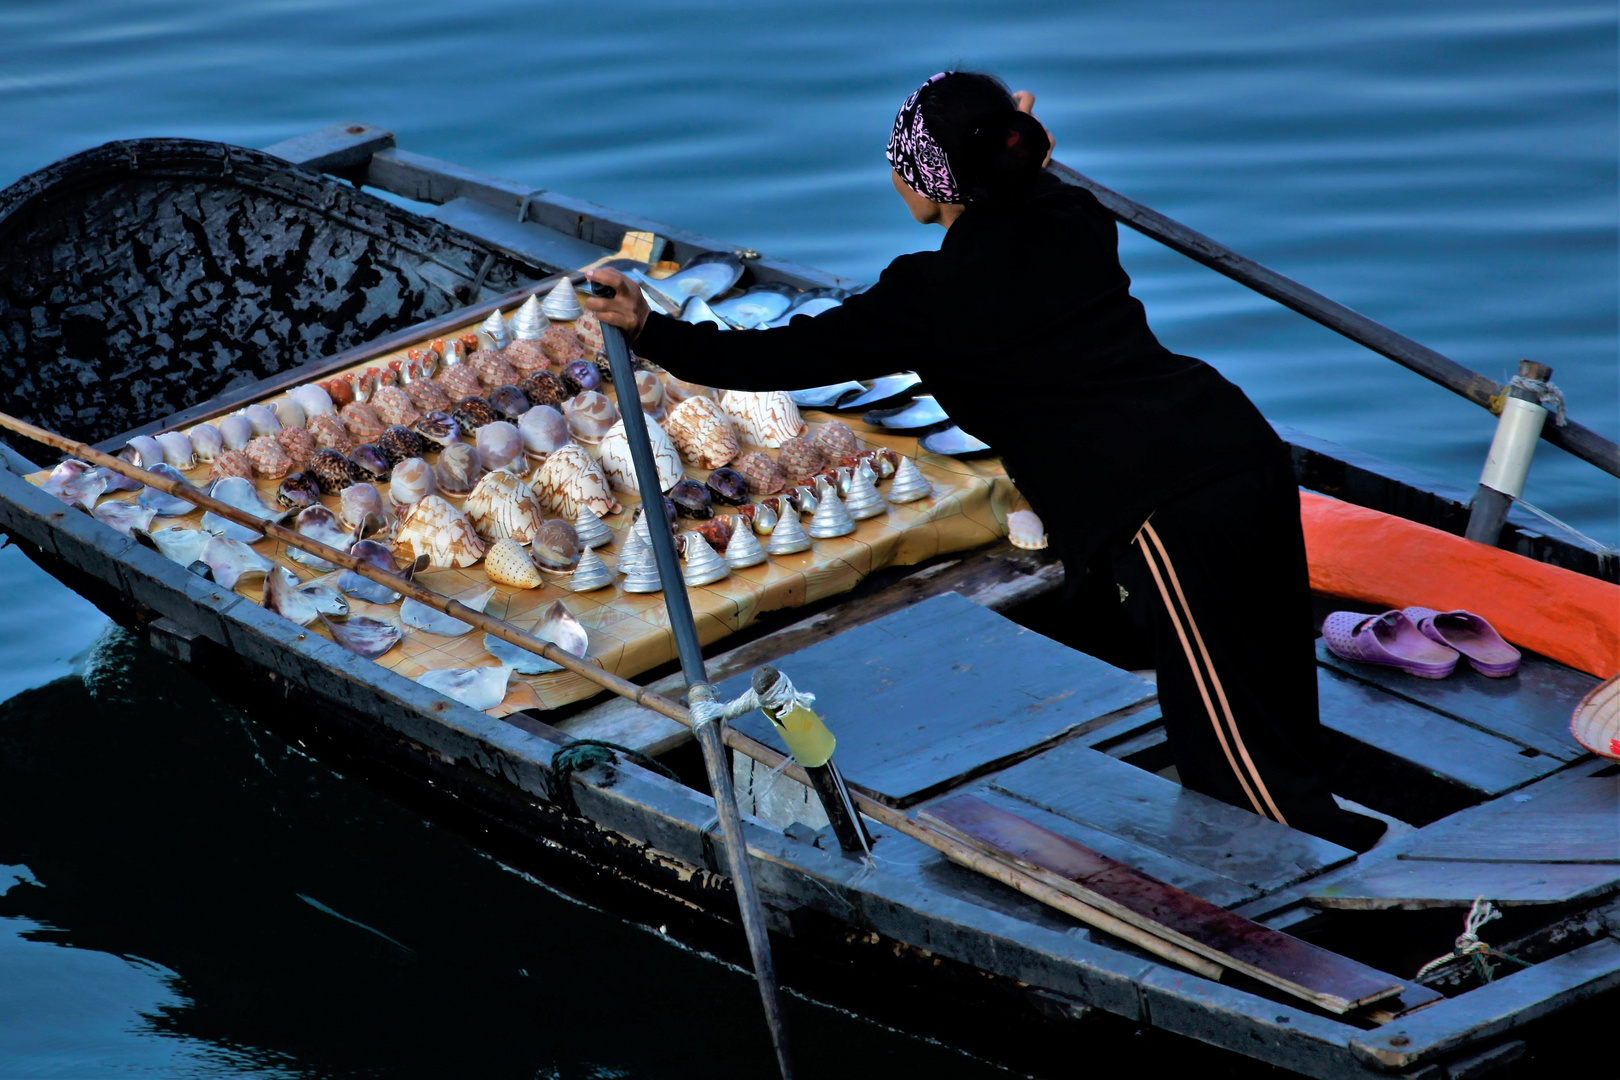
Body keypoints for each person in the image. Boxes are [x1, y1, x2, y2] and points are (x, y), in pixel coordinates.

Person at [584, 70, 1387, 853]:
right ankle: (1335, 837)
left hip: (1165, 507)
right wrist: (1011, 136)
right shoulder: (1073, 215)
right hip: (1241, 449)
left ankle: (1320, 887)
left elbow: (782, 356)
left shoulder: (928, 293)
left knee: (1226, 747)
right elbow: (1027, 178)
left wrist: (652, 330)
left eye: (900, 166)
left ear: (933, 183)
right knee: (1277, 687)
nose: (894, 180)